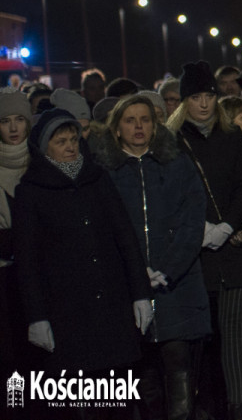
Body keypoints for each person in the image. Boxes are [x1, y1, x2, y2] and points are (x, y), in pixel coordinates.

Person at [94, 94, 211, 420]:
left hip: (177, 287)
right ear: (116, 128)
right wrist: (134, 273)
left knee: (180, 371)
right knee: (141, 380)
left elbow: (192, 223)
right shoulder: (104, 173)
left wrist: (166, 270)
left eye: (145, 119)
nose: (138, 126)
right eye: (130, 120)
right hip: (128, 292)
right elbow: (102, 231)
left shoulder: (177, 164)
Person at [15, 108, 154, 374]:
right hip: (66, 309)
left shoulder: (97, 179)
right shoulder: (31, 191)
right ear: (45, 148)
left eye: (74, 140)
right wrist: (37, 316)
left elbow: (125, 237)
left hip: (111, 300)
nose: (70, 147)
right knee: (80, 390)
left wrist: (141, 294)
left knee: (119, 388)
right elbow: (28, 261)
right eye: (61, 142)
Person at [168, 61, 242, 420]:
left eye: (209, 96)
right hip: (193, 254)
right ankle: (198, 405)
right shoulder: (172, 142)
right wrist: (198, 229)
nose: (204, 104)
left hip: (233, 247)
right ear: (183, 100)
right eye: (196, 96)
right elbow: (170, 195)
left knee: (234, 330)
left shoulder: (231, 136)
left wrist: (226, 226)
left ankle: (238, 407)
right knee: (198, 338)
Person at [0, 88, 33, 376]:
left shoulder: (42, 162)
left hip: (40, 275)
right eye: (5, 120)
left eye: (19, 119)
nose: (13, 128)